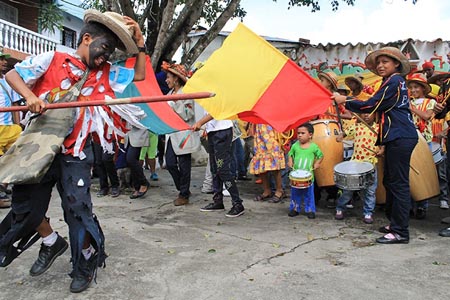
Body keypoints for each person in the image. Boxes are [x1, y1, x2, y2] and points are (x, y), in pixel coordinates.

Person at [2, 10, 146, 292]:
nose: (105, 57)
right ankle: (51, 242)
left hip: (77, 153)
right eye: (103, 49)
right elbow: (12, 75)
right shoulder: (52, 59)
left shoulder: (106, 73)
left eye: (110, 53)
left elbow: (139, 75)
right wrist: (30, 97)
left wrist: (139, 43)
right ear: (86, 38)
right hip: (41, 149)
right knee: (26, 206)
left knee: (78, 209)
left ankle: (83, 265)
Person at [332, 46, 418, 244]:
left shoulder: (395, 81)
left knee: (398, 185)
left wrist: (345, 99)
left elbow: (370, 105)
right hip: (395, 137)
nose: (380, 65)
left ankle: (400, 232)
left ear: (396, 64)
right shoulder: (391, 82)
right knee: (390, 182)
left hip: (401, 137)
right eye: (378, 63)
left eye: (385, 62)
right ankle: (395, 222)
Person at [162, 61, 200, 206]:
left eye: (168, 77)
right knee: (170, 163)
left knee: (184, 166)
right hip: (172, 134)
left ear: (176, 78)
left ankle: (184, 194)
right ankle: (183, 188)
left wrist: (174, 106)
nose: (166, 80)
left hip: (184, 135)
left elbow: (188, 113)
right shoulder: (168, 94)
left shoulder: (186, 94)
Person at [192, 115, 245, 217]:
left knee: (222, 169)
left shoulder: (216, 98)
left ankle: (237, 203)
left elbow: (214, 111)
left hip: (222, 133)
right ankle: (218, 201)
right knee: (214, 168)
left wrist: (200, 122)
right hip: (213, 132)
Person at [335, 112, 382, 224]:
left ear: (375, 115)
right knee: (348, 189)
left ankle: (368, 212)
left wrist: (381, 150)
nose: (366, 115)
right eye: (363, 113)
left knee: (370, 191)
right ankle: (340, 208)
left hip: (370, 163)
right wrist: (340, 136)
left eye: (370, 113)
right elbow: (342, 136)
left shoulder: (379, 128)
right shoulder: (356, 127)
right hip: (356, 163)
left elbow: (383, 144)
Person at [407, 73, 439, 219]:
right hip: (410, 139)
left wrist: (411, 108)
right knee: (411, 173)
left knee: (423, 172)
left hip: (425, 140)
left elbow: (427, 116)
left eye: (416, 87)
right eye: (411, 87)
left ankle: (422, 206)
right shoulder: (408, 102)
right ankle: (410, 205)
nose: (413, 90)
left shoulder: (431, 103)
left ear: (423, 89)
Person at [0, 46, 22, 208]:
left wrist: (18, 125)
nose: (4, 62)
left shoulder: (7, 80)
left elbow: (15, 103)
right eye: (1, 59)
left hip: (10, 128)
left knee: (18, 157)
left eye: (4, 59)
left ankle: (3, 185)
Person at [287, 123, 323, 219]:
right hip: (296, 176)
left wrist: (317, 163)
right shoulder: (295, 145)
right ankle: (295, 208)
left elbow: (320, 156)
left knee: (309, 194)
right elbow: (290, 154)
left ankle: (310, 210)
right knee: (295, 193)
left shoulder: (313, 147)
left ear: (310, 135)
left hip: (308, 176)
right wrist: (290, 161)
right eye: (298, 133)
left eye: (303, 133)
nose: (299, 135)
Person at [250, 124, 286, 203]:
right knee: (260, 161)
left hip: (272, 127)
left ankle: (279, 190)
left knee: (274, 162)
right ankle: (266, 190)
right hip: (259, 128)